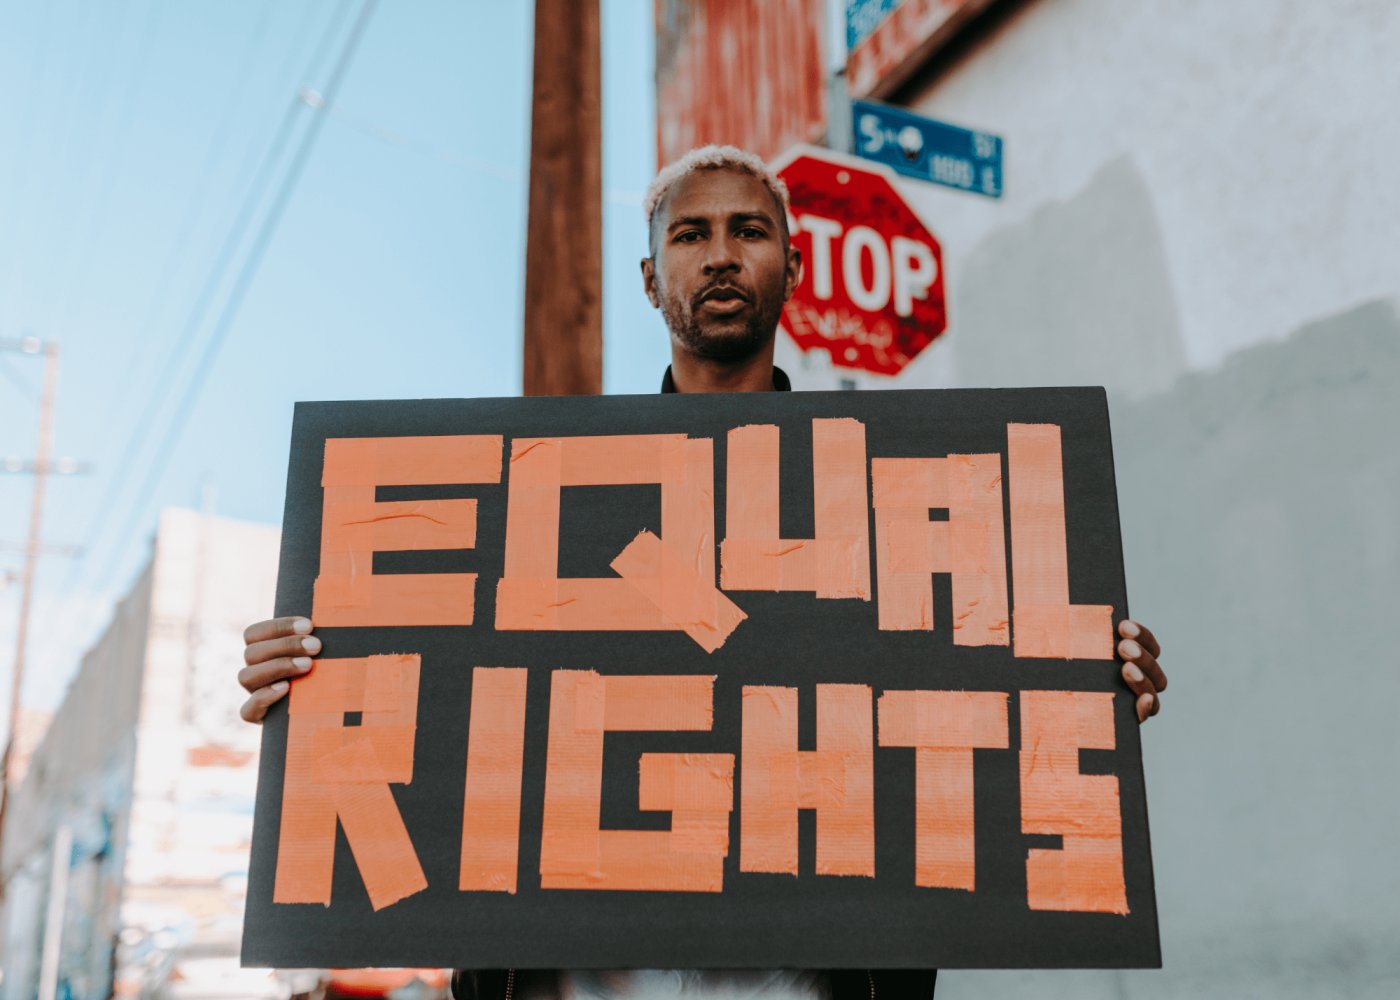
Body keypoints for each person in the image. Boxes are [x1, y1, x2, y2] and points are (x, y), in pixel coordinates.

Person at [239, 146, 1169, 1000]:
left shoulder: (885, 501)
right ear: (652, 278)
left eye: (747, 230)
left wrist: (1077, 681)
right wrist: (313, 671)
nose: (720, 255)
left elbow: (962, 704)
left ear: (792, 268)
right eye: (690, 235)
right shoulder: (550, 502)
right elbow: (449, 695)